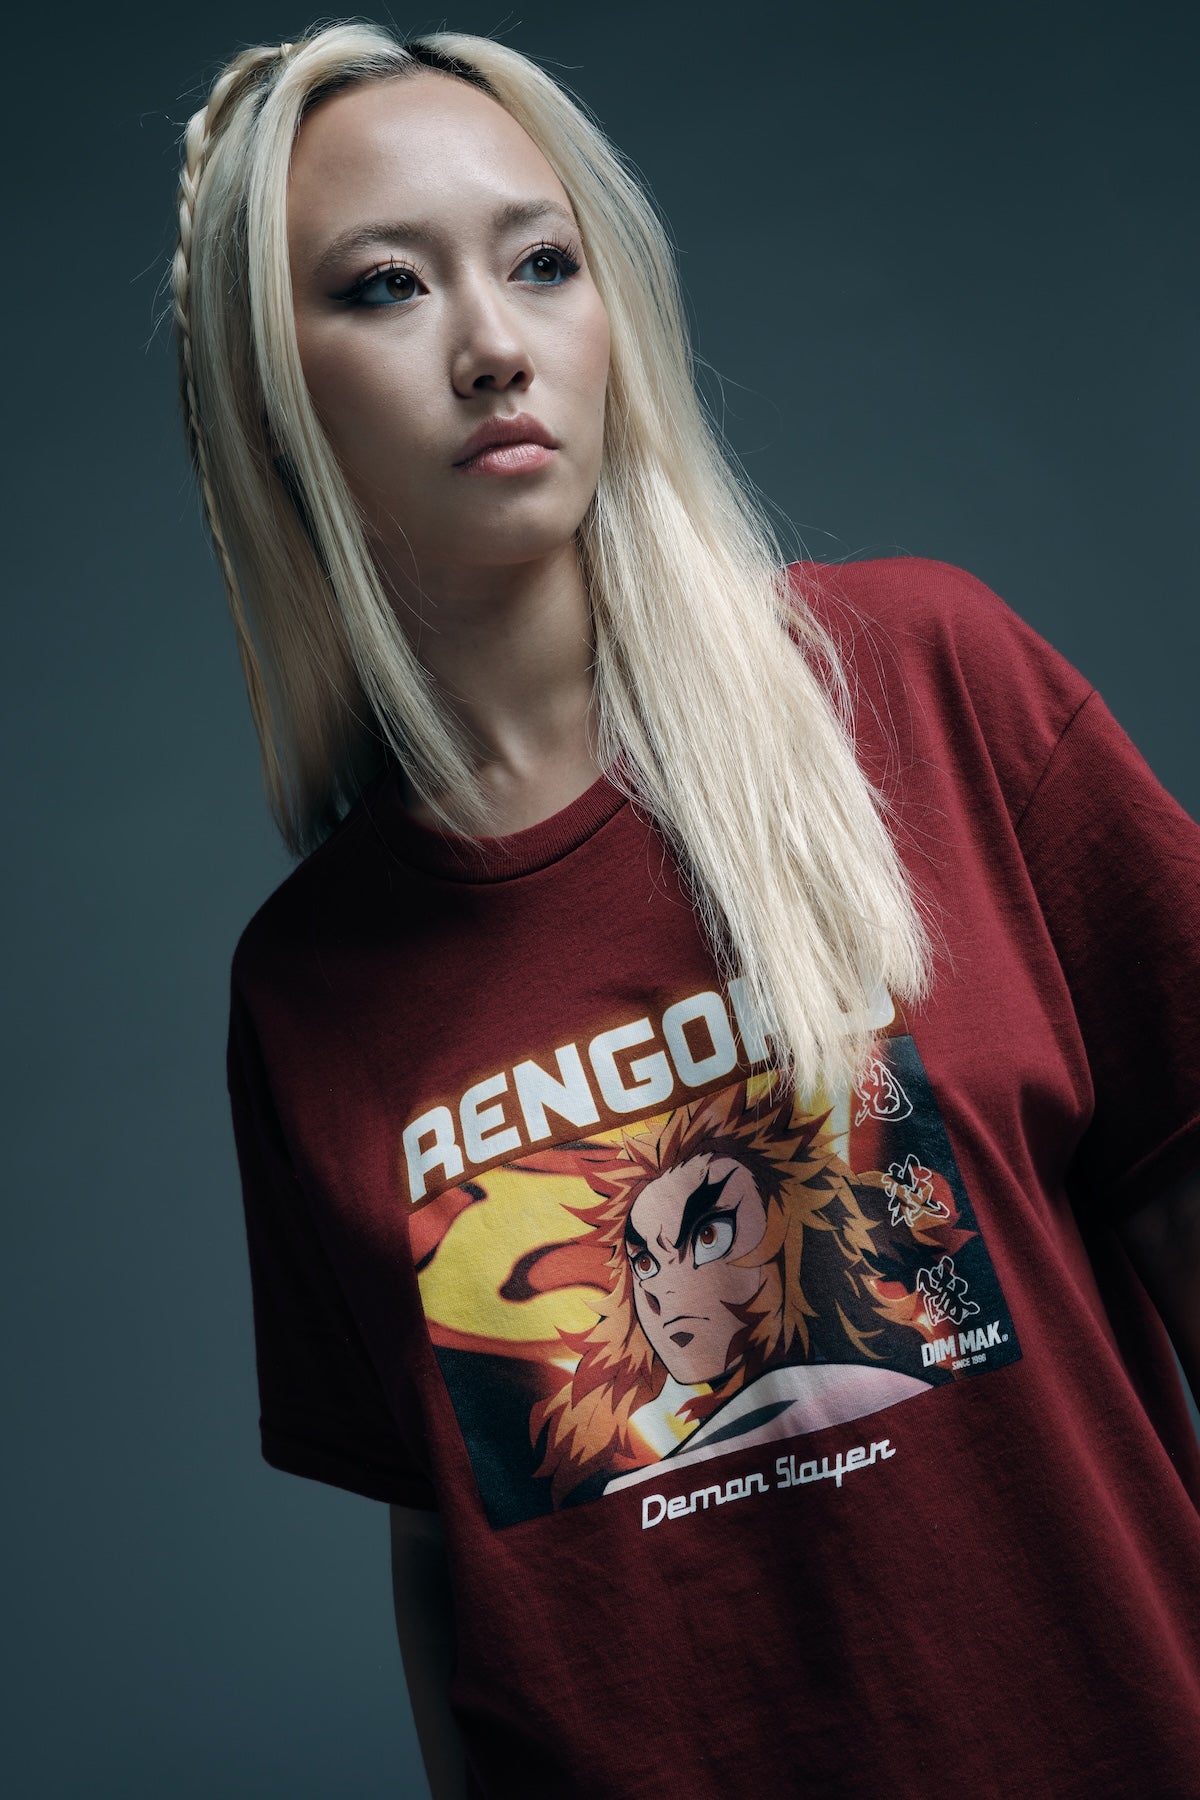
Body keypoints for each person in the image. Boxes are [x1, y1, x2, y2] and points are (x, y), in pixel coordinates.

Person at [172, 21, 1200, 1799]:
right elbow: (448, 1557)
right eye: (388, 287)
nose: (495, 346)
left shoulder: (926, 685)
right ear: (276, 401)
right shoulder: (309, 992)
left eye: (542, 262)